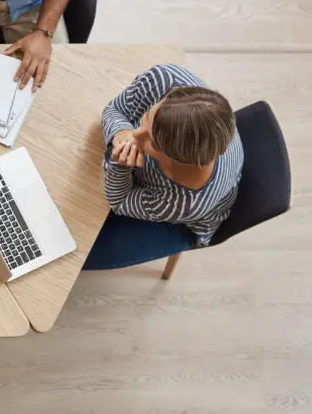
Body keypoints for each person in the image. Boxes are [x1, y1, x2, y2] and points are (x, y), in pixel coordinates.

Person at [82, 64, 245, 270]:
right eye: (147, 117)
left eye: (151, 142)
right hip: (169, 183)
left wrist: (119, 164)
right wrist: (121, 131)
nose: (136, 134)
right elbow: (115, 110)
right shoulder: (165, 79)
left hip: (181, 223)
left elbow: (121, 201)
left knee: (81, 252)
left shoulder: (181, 203)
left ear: (177, 160)